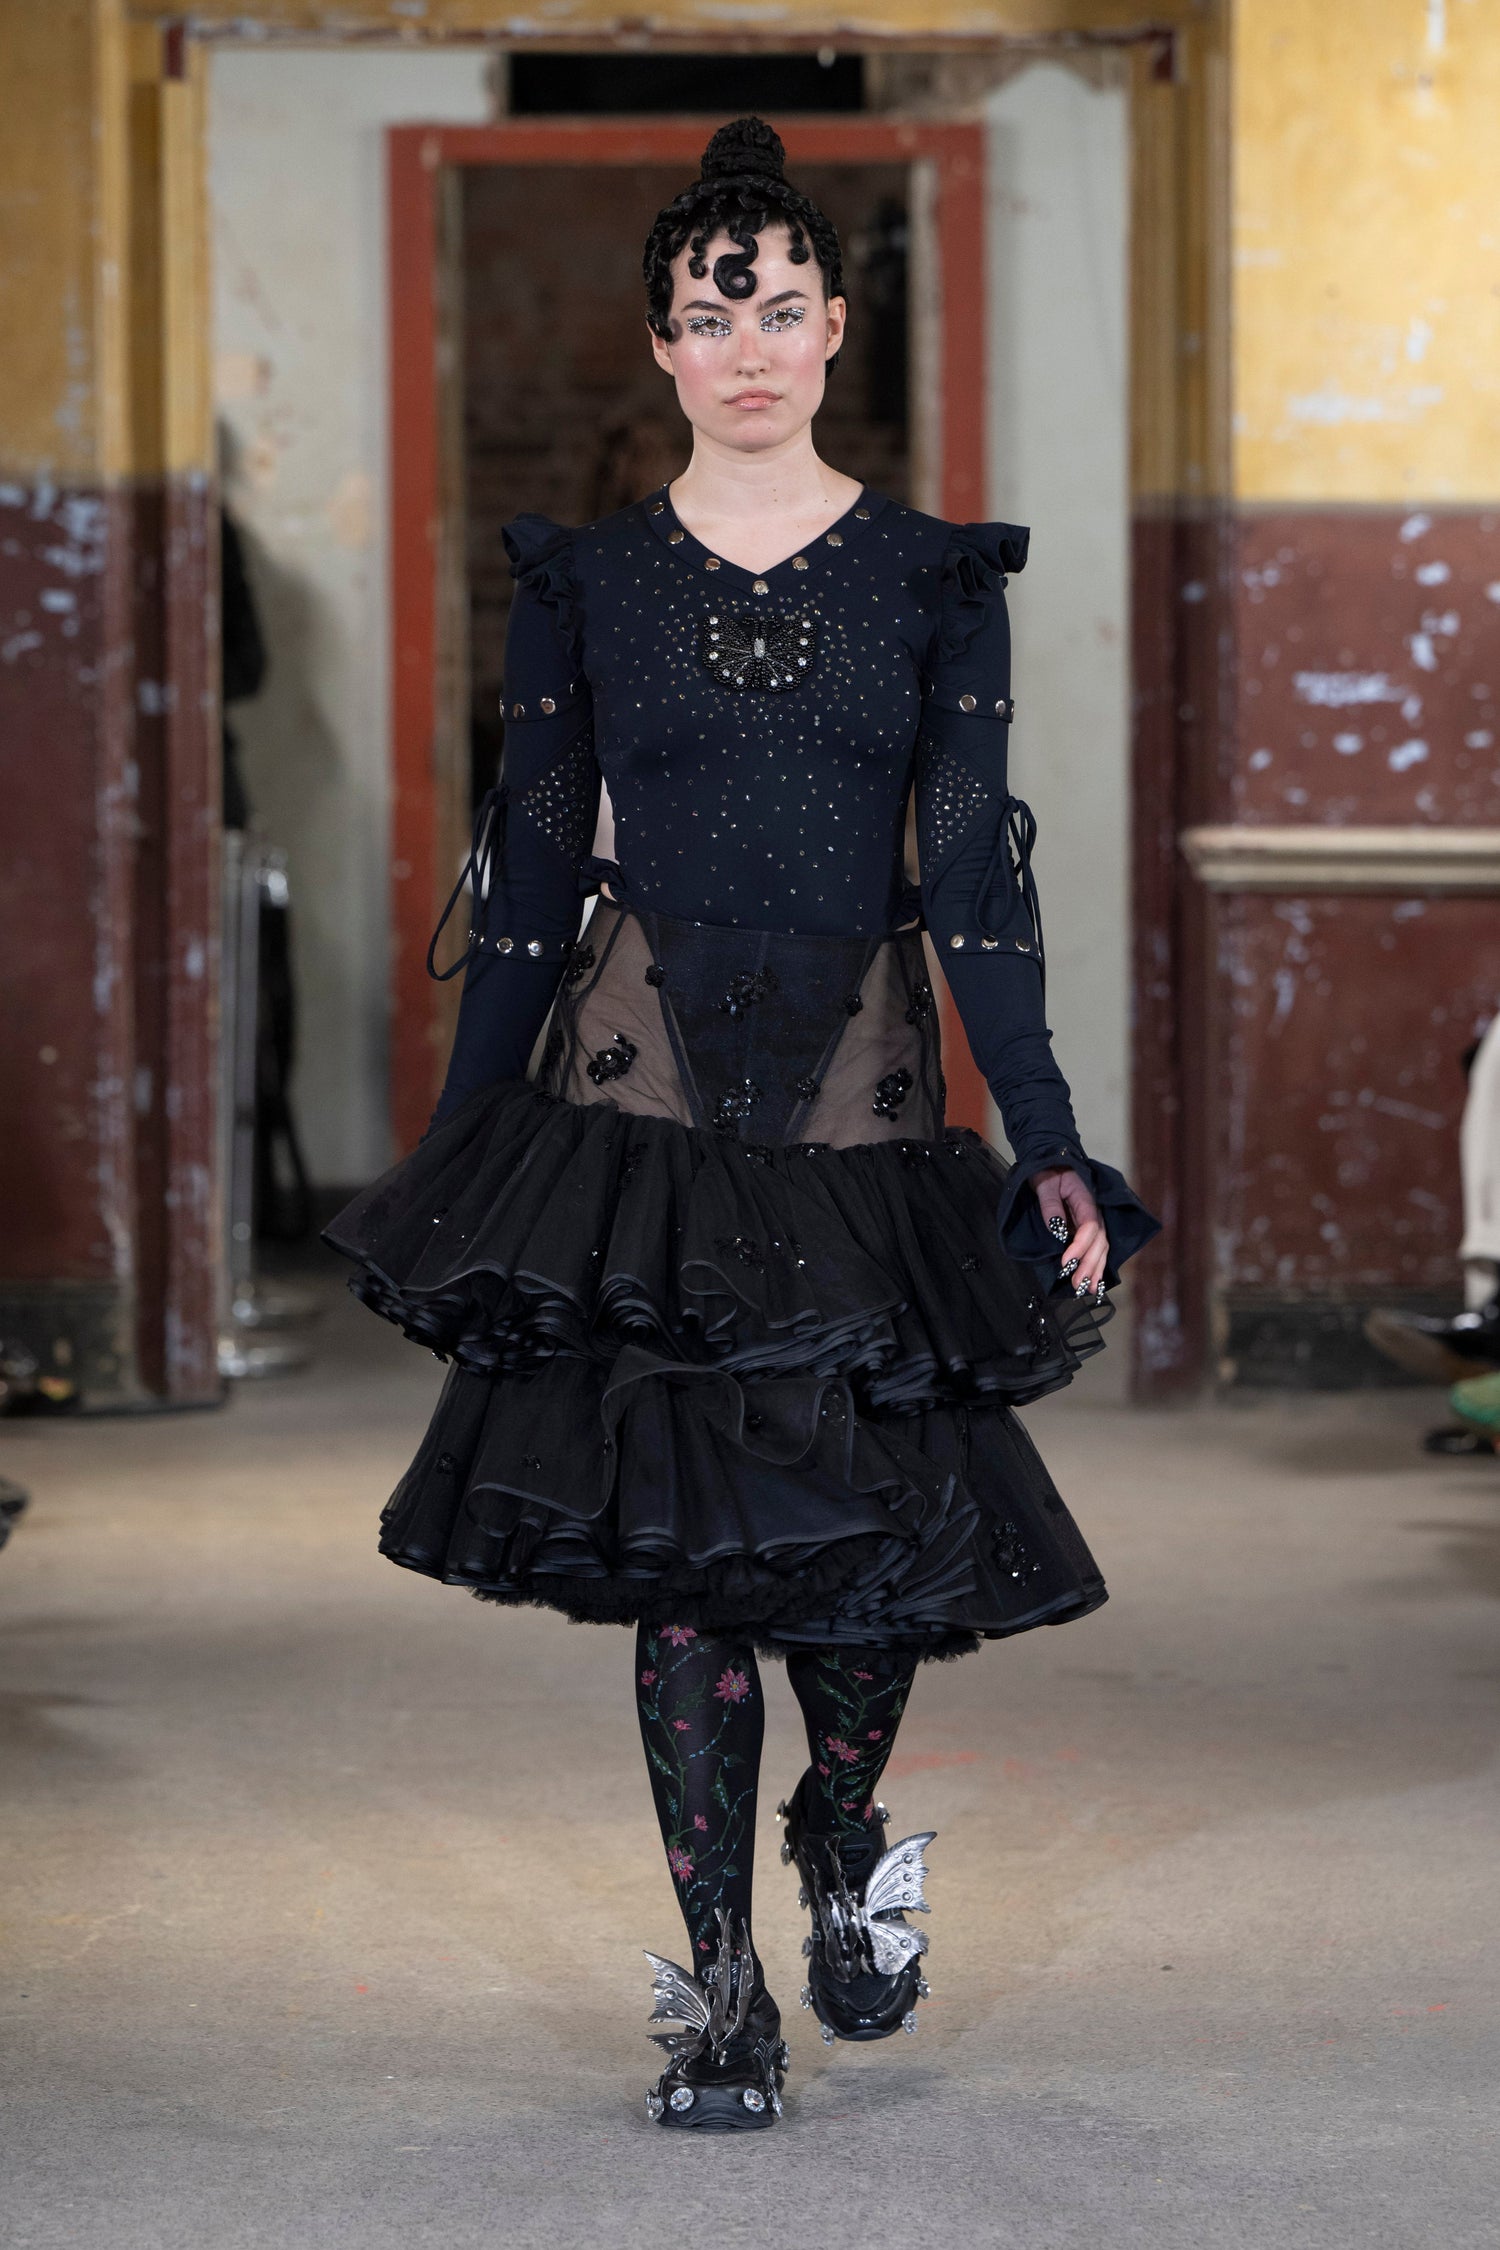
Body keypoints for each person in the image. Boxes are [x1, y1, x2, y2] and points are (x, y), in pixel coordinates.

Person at [327, 118, 1157, 2131]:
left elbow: (978, 886)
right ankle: (719, 1991)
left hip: (865, 1110)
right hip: (644, 1101)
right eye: (715, 318)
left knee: (867, 1571)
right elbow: (531, 884)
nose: (752, 348)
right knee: (686, 1564)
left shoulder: (936, 581)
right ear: (664, 345)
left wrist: (1050, 1134)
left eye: (783, 309)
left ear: (838, 324)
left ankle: (839, 1836)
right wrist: (462, 1151)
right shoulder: (586, 583)